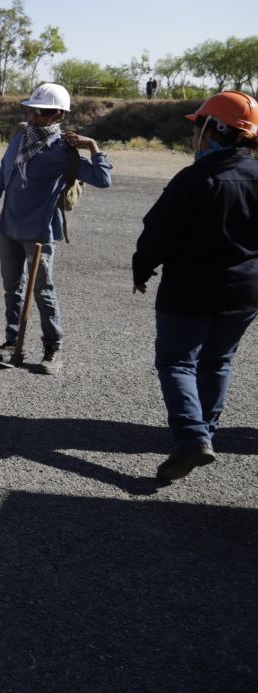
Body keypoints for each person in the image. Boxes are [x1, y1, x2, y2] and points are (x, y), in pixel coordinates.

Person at [133, 91, 258, 482]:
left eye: (198, 126)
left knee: (176, 361)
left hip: (190, 290)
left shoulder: (196, 177)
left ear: (213, 129)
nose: (194, 136)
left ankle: (191, 438)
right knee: (218, 361)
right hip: (245, 293)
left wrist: (143, 267)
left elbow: (157, 233)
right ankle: (207, 432)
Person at [0, 83, 112, 374]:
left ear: (58, 116)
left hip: (39, 233)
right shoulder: (19, 138)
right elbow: (3, 171)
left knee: (43, 290)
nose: (34, 116)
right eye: (32, 109)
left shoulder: (65, 150)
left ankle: (53, 349)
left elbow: (103, 180)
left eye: (41, 111)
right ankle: (12, 343)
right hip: (9, 225)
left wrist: (92, 147)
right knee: (11, 287)